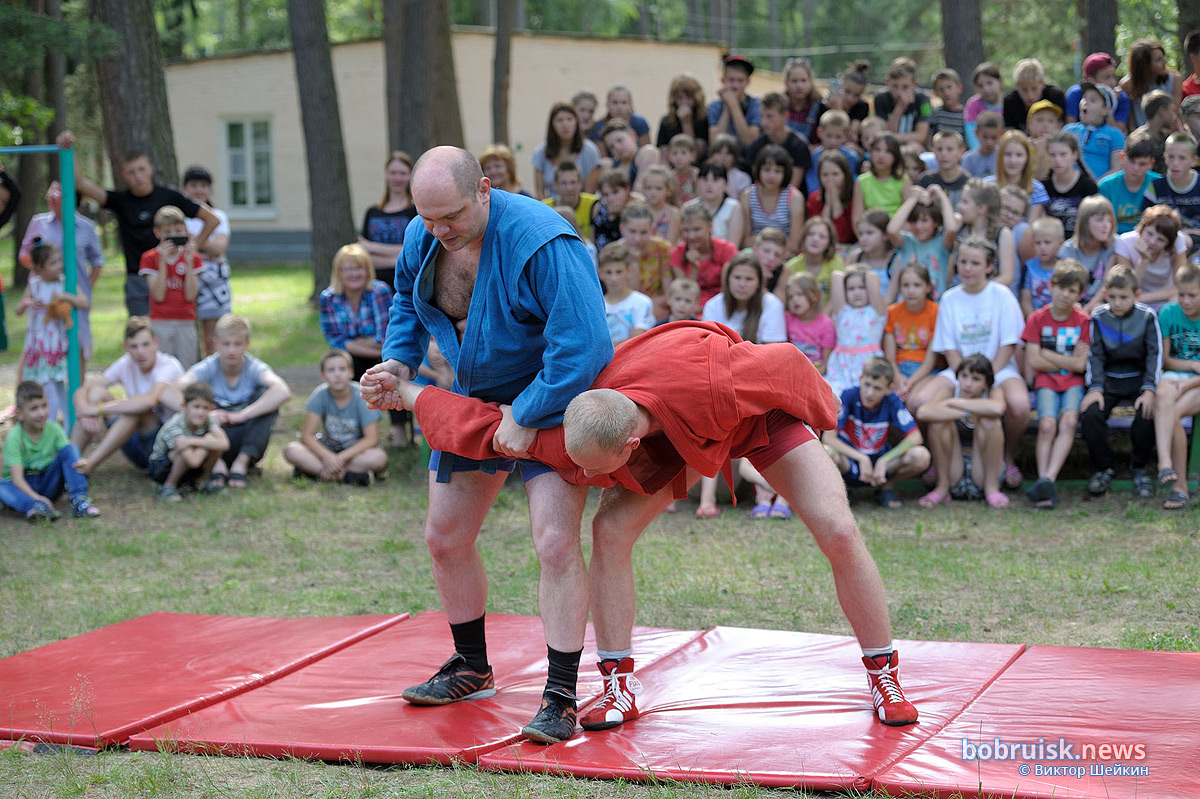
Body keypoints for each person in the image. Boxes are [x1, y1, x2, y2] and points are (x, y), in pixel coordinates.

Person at [377, 320, 919, 728]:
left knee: (839, 528)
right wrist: (405, 392)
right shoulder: (584, 413)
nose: (581, 478)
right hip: (674, 430)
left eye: (591, 468)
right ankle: (617, 687)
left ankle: (883, 671)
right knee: (608, 531)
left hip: (754, 415)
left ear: (629, 446)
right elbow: (482, 422)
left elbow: (790, 365)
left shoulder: (727, 379)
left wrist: (823, 422)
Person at [359, 146, 613, 746]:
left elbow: (584, 348)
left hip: (552, 397)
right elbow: (405, 299)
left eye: (450, 217)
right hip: (475, 398)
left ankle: (559, 695)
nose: (439, 231)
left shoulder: (544, 242)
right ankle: (471, 665)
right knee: (444, 538)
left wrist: (526, 414)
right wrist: (399, 359)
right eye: (427, 219)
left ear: (485, 190)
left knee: (554, 544)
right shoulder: (428, 234)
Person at [907, 238, 1028, 497]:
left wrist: (986, 379)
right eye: (963, 261)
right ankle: (937, 461)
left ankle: (1006, 457)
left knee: (1019, 405)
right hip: (960, 369)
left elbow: (1008, 344)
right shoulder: (950, 298)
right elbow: (949, 347)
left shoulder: (1002, 295)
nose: (967, 268)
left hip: (998, 368)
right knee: (919, 402)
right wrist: (965, 379)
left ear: (989, 267)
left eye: (975, 263)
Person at [55, 130, 218, 317]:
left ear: (151, 168)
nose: (138, 176)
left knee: (171, 332)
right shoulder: (121, 200)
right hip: (137, 279)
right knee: (141, 334)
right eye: (131, 172)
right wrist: (69, 149)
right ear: (124, 175)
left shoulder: (170, 196)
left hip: (172, 276)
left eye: (141, 169)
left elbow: (212, 219)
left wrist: (194, 246)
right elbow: (81, 184)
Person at [696, 252, 787, 517]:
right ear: (727, 279)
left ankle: (772, 487)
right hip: (720, 377)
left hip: (759, 379)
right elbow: (706, 350)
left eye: (749, 278)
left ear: (759, 282)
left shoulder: (771, 305)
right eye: (737, 277)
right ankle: (707, 499)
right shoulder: (714, 305)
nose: (742, 283)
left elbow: (772, 353)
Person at [174, 314, 292, 489]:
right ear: (216, 343)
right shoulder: (207, 367)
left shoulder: (254, 367)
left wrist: (241, 415)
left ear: (247, 344)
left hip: (247, 439)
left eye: (237, 344)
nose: (231, 350)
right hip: (212, 440)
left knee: (268, 397)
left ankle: (242, 463)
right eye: (226, 344)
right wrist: (206, 415)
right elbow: (172, 391)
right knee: (193, 402)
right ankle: (216, 464)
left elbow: (282, 391)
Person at [1080, 264, 1160, 499]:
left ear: (1136, 295)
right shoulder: (1098, 316)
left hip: (1138, 380)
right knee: (1091, 414)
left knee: (1146, 413)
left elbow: (1154, 355)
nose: (1117, 303)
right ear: (1104, 294)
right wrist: (1095, 388)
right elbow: (1095, 356)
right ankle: (1105, 467)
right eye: (1112, 297)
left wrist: (1149, 389)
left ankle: (1139, 468)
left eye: (1123, 297)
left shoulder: (1147, 317)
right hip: (1109, 381)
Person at [70, 317, 183, 475]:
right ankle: (70, 460)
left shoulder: (169, 366)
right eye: (134, 347)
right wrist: (84, 410)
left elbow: (150, 401)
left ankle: (88, 465)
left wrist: (96, 410)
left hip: (161, 446)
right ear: (126, 348)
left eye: (145, 345)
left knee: (136, 410)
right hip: (134, 440)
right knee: (96, 393)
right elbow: (84, 389)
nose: (140, 352)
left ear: (155, 343)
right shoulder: (126, 363)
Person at [1021, 259, 1092, 509]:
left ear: (1080, 293)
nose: (1065, 294)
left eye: (1072, 291)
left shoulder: (1083, 321)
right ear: (1051, 286)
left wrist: (1047, 354)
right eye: (1061, 288)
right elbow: (1033, 361)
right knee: (1048, 425)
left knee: (1070, 421)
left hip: (1073, 383)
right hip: (1046, 382)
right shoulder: (1036, 319)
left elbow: (1080, 366)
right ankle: (1044, 479)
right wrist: (1066, 360)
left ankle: (1047, 480)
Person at [19, 180, 105, 380]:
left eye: (56, 196)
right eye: (49, 195)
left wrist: (87, 288)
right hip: (46, 294)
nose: (51, 200)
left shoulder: (86, 226)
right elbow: (24, 254)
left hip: (75, 293)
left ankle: (77, 397)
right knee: (37, 341)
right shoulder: (38, 222)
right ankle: (32, 395)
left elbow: (97, 261)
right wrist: (41, 270)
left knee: (78, 342)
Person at [823, 357, 930, 509]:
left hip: (880, 465)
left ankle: (886, 487)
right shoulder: (848, 396)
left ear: (889, 389)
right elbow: (828, 437)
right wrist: (861, 458)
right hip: (850, 462)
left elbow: (916, 436)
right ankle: (841, 489)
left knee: (921, 456)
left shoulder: (891, 400)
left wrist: (884, 460)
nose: (869, 393)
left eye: (877, 388)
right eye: (867, 385)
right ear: (860, 379)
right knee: (827, 453)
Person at [283, 349, 387, 487]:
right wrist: (327, 457)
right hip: (328, 449)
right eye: (331, 370)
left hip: (354, 453)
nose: (337, 374)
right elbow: (306, 436)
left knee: (379, 458)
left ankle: (313, 471)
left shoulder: (362, 396)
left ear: (351, 372)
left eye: (342, 369)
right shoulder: (320, 395)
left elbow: (372, 439)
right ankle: (348, 477)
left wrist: (338, 459)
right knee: (291, 450)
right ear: (323, 375)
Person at [916, 354, 1007, 508]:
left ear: (986, 383)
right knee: (938, 423)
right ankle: (942, 487)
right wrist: (963, 413)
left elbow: (997, 408)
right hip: (954, 469)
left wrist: (955, 403)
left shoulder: (993, 392)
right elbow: (924, 412)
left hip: (983, 470)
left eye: (976, 379)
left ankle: (992, 489)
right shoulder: (949, 391)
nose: (967, 384)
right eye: (964, 376)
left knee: (990, 421)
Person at [0, 381, 100, 520]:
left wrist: (80, 464)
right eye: (34, 408)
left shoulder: (53, 429)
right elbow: (17, 480)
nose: (41, 413)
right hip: (22, 485)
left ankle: (80, 501)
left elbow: (68, 456)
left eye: (44, 405)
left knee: (71, 448)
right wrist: (38, 498)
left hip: (48, 480)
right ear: (19, 414)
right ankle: (35, 507)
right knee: (2, 486)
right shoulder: (14, 437)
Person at [16, 240, 90, 423]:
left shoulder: (66, 282)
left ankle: (66, 424)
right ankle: (51, 425)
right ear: (39, 268)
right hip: (39, 345)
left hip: (56, 344)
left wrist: (66, 296)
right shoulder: (34, 284)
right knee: (47, 386)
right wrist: (27, 303)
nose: (59, 266)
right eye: (53, 263)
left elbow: (85, 302)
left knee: (58, 384)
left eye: (59, 261)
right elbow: (18, 309)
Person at [1152, 263, 1200, 510]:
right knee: (1162, 395)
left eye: (1193, 295)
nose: (1186, 300)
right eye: (1182, 294)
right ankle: (1164, 464)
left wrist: (1190, 381)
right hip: (1178, 373)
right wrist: (1191, 369)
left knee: (1171, 412)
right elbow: (1167, 359)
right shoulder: (1169, 313)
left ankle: (1179, 486)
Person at [139, 205, 202, 369]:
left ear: (185, 230)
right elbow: (158, 295)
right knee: (161, 369)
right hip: (160, 321)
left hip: (186, 321)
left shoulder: (192, 257)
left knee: (187, 368)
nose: (173, 236)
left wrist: (189, 264)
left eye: (178, 231)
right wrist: (162, 262)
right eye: (167, 232)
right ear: (157, 233)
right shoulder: (150, 257)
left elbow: (190, 295)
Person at [318, 243, 392, 380]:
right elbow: (335, 341)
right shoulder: (328, 298)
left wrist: (352, 342)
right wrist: (374, 348)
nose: (354, 274)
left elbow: (384, 338)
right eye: (348, 269)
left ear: (368, 270)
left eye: (359, 268)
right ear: (338, 273)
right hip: (353, 358)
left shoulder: (380, 292)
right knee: (341, 367)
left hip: (382, 358)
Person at [180, 166, 232, 357]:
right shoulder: (180, 218)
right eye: (193, 185)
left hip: (213, 281)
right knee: (188, 334)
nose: (199, 190)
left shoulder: (218, 216)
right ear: (184, 188)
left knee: (212, 337)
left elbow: (219, 249)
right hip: (185, 278)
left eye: (204, 185)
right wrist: (205, 246)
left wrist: (193, 240)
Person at [148, 381, 230, 500]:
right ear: (184, 406)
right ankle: (168, 486)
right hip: (160, 469)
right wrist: (205, 442)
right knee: (184, 447)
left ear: (211, 409)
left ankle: (201, 483)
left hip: (189, 464)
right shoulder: (175, 426)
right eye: (196, 407)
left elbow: (225, 444)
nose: (201, 412)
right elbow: (194, 461)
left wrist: (194, 441)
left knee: (211, 441)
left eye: (205, 408)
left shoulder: (209, 420)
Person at [885, 185, 959, 300]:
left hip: (934, 309)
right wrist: (913, 198)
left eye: (925, 221)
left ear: (936, 222)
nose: (919, 226)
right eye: (914, 221)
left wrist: (942, 197)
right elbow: (891, 230)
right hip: (907, 308)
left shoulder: (942, 244)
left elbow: (952, 229)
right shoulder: (907, 242)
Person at [824, 266, 887, 397]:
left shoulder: (876, 311)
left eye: (861, 287)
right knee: (836, 397)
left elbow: (872, 277)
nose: (857, 292)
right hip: (842, 365)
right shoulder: (842, 311)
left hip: (869, 365)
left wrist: (863, 272)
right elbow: (836, 276)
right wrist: (851, 270)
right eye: (851, 289)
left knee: (866, 396)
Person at [359, 151, 419, 289]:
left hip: (406, 283)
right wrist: (398, 256)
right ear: (386, 174)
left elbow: (415, 252)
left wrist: (372, 247)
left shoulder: (416, 211)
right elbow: (364, 255)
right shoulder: (372, 212)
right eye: (393, 173)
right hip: (374, 285)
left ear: (410, 175)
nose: (397, 178)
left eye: (403, 173)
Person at [1111, 204, 1187, 311]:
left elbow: (1182, 285)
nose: (1152, 242)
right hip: (1133, 300)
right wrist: (1144, 259)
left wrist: (1141, 298)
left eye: (1160, 240)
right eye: (1149, 233)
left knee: (1175, 303)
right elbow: (1128, 287)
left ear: (1168, 243)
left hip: (1163, 298)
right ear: (1142, 228)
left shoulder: (1178, 241)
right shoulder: (1124, 242)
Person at [729, 145, 804, 252]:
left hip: (784, 254)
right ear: (758, 170)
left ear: (785, 173)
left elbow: (795, 244)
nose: (771, 176)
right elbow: (746, 240)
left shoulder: (795, 198)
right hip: (755, 252)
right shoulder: (747, 195)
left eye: (777, 171)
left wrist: (764, 243)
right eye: (767, 170)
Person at [884, 262, 938, 404]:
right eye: (906, 285)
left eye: (917, 285)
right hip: (898, 369)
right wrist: (898, 378)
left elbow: (930, 361)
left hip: (924, 370)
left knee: (915, 401)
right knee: (891, 401)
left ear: (928, 287)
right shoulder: (892, 312)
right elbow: (890, 357)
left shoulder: (936, 312)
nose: (911, 291)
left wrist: (909, 383)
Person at [671, 198, 738, 305]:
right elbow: (684, 295)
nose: (691, 236)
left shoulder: (727, 250)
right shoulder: (677, 253)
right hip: (690, 309)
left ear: (710, 226)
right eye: (686, 230)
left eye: (697, 229)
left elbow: (730, 291)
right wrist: (694, 267)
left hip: (721, 306)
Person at [742, 92, 812, 190]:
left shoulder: (799, 145)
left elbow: (793, 187)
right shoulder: (755, 147)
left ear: (785, 116)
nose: (764, 122)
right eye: (761, 116)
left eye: (769, 116)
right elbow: (759, 185)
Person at [531, 103, 602, 200]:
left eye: (569, 119)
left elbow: (589, 193)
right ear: (552, 124)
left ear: (576, 122)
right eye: (560, 121)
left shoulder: (590, 150)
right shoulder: (540, 152)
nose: (565, 125)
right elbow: (540, 193)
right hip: (552, 208)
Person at [1059, 195, 1118, 311]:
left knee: (1099, 309)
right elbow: (1065, 286)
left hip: (1101, 302)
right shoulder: (1068, 249)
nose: (1106, 225)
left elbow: (1106, 284)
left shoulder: (1115, 246)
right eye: (1100, 220)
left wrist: (1087, 309)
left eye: (1109, 220)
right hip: (1073, 300)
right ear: (1085, 222)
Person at [1098, 130, 1162, 234]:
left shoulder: (1159, 183)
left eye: (1142, 164)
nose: (1136, 168)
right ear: (1122, 158)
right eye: (1132, 162)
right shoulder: (1106, 186)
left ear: (1151, 164)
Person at [1142, 131, 1200, 241]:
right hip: (1164, 243)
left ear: (1194, 161)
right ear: (1165, 157)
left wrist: (1187, 234)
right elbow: (1145, 224)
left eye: (1182, 158)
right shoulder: (1155, 187)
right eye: (1171, 157)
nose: (1175, 163)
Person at [1041, 130, 1099, 239]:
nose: (1057, 160)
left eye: (1063, 154)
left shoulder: (1088, 186)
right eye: (1052, 155)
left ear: (1075, 155)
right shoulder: (1043, 187)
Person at [618, 202, 673, 315]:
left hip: (657, 306)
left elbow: (669, 293)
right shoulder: (615, 252)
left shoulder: (663, 248)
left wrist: (646, 305)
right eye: (632, 231)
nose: (637, 238)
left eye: (643, 232)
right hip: (624, 307)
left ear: (652, 230)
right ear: (622, 228)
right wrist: (634, 262)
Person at [598, 241, 655, 345]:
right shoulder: (596, 306)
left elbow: (637, 339)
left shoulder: (643, 302)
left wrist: (606, 347)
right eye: (608, 272)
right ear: (600, 273)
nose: (614, 278)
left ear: (629, 271)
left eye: (619, 272)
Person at [1063, 83, 1124, 181]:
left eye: (1093, 100)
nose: (1085, 102)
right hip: (1070, 187)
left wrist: (1095, 186)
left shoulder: (1115, 134)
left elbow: (1117, 168)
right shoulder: (1068, 130)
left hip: (1100, 191)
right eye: (1084, 98)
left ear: (1106, 110)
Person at [851, 132, 912, 227]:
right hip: (870, 233)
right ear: (870, 152)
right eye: (877, 150)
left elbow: (910, 215)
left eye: (888, 151)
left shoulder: (903, 180)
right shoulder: (861, 181)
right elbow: (857, 218)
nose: (881, 155)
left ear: (896, 156)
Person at [1121, 38, 1182, 129]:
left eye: (1163, 57)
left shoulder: (1175, 79)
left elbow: (1174, 114)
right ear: (1144, 66)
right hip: (1141, 135)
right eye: (1158, 60)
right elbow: (1131, 123)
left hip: (1168, 131)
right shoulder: (1127, 85)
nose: (1165, 62)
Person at [808, 60, 871, 146]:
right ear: (840, 86)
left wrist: (839, 108)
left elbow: (849, 136)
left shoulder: (862, 106)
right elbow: (815, 136)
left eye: (856, 95)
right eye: (847, 92)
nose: (850, 98)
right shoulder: (824, 105)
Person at [1065, 52, 1132, 132]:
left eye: (1114, 76)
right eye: (1107, 77)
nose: (1113, 82)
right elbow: (1069, 131)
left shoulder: (1121, 98)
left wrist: (1109, 104)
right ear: (1089, 80)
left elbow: (1118, 132)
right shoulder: (1075, 95)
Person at [783, 217, 843, 305]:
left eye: (822, 236)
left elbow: (836, 299)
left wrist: (821, 319)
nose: (815, 239)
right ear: (804, 238)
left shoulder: (835, 262)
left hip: (830, 316)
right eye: (811, 234)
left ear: (829, 244)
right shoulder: (791, 266)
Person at [873, 57, 932, 147]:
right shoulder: (879, 99)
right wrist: (899, 108)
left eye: (905, 87)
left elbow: (921, 136)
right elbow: (883, 135)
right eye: (895, 86)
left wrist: (893, 137)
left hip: (913, 148)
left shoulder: (924, 100)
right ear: (887, 82)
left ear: (914, 84)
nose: (899, 93)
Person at [784, 272, 835, 374]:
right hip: (791, 372)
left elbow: (825, 366)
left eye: (800, 294)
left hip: (815, 374)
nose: (795, 300)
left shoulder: (826, 324)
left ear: (814, 296)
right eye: (790, 297)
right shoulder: (787, 319)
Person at [707, 54, 761, 145]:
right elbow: (715, 143)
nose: (735, 86)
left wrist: (733, 104)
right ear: (723, 80)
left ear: (748, 82)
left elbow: (749, 141)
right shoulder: (714, 107)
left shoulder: (756, 104)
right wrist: (727, 108)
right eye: (731, 80)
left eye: (740, 81)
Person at [1002, 59, 1066, 133]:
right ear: (1017, 87)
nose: (1030, 95)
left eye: (1034, 89)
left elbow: (1062, 128)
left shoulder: (1055, 96)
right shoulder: (1010, 102)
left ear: (1042, 84)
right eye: (1024, 90)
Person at [808, 150, 856, 248]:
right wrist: (827, 206)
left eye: (835, 174)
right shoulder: (814, 199)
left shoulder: (854, 198)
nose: (830, 180)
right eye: (825, 175)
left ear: (845, 175)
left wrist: (835, 201)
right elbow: (819, 233)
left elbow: (842, 237)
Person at [656, 75, 709, 163]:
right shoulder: (666, 122)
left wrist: (686, 123)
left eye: (689, 98)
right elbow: (663, 155)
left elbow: (696, 155)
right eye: (680, 98)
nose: (684, 102)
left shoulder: (702, 119)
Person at [1021, 216, 1067, 317]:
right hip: (1035, 318)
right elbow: (1026, 301)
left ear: (1060, 243)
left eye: (1047, 242)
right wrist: (1034, 321)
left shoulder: (1065, 268)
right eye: (1038, 243)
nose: (1042, 247)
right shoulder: (1029, 267)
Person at [807, 110, 861, 195]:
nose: (833, 142)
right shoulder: (813, 158)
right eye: (829, 136)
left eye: (838, 137)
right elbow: (812, 188)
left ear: (846, 135)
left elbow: (852, 185)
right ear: (820, 132)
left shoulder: (852, 158)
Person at [846, 209, 897, 296]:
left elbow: (890, 298)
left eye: (869, 233)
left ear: (885, 235)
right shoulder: (855, 256)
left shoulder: (895, 259)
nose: (863, 238)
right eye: (861, 234)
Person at [590, 84, 652, 152]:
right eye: (615, 103)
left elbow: (646, 150)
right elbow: (602, 157)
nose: (619, 107)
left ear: (630, 105)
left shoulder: (639, 122)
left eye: (624, 102)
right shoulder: (599, 127)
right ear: (607, 104)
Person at [919, 130, 970, 209]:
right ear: (933, 151)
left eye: (950, 149)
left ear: (961, 152)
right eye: (939, 149)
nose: (944, 154)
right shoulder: (926, 180)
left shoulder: (968, 182)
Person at [964, 62, 1004, 150]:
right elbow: (970, 131)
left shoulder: (1009, 103)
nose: (986, 89)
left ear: (1000, 81)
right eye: (980, 86)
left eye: (989, 83)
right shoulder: (974, 104)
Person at [694, 163, 739, 241]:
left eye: (715, 180)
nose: (709, 185)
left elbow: (733, 245)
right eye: (705, 179)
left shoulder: (734, 207)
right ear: (697, 183)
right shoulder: (690, 207)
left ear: (725, 184)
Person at [781, 58, 822, 139]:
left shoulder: (820, 107)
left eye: (803, 80)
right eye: (794, 81)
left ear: (811, 81)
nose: (799, 86)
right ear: (786, 83)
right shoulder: (779, 106)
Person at [639, 165, 681, 244]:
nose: (653, 193)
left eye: (658, 188)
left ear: (668, 191)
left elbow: (670, 244)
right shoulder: (640, 211)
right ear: (643, 189)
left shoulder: (673, 213)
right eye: (649, 188)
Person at [962, 110, 1003, 178]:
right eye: (985, 137)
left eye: (994, 138)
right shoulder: (968, 159)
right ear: (976, 133)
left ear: (1001, 135)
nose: (989, 142)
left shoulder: (1003, 157)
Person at [929, 68, 965, 138]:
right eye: (941, 89)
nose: (946, 92)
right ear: (936, 93)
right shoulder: (935, 114)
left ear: (959, 88)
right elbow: (929, 139)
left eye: (949, 87)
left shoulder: (966, 114)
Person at [665, 134, 700, 203]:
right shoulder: (669, 176)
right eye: (675, 153)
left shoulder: (697, 174)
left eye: (683, 153)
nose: (679, 157)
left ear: (693, 156)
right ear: (669, 156)